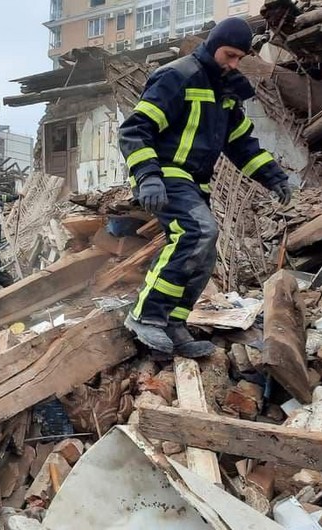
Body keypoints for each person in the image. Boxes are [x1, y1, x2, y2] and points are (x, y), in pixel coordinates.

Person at [119, 17, 291, 360]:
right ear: (213, 45)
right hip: (166, 174)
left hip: (195, 183)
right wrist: (147, 176)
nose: (233, 64)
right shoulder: (177, 76)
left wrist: (273, 176)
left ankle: (172, 324)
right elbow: (134, 130)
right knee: (199, 232)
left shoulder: (225, 93)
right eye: (229, 55)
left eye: (239, 58)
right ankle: (145, 314)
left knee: (203, 251)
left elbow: (241, 144)